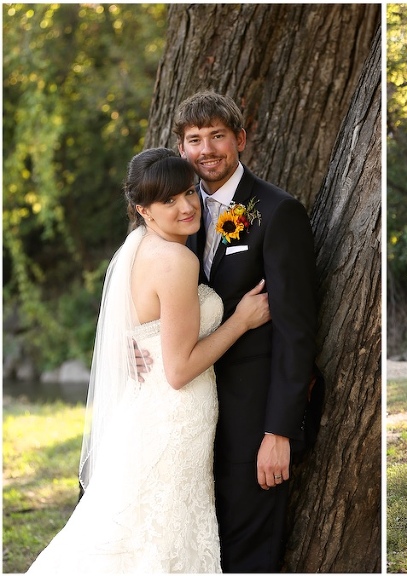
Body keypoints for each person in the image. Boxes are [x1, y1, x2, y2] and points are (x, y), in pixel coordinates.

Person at [27, 148, 271, 573]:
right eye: (169, 201)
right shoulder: (177, 260)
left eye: (188, 193)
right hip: (174, 419)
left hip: (147, 415)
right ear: (143, 209)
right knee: (164, 539)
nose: (187, 206)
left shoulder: (138, 246)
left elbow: (144, 326)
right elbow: (178, 371)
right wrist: (241, 322)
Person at [174, 91, 318, 572]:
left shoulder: (278, 212)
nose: (207, 149)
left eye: (217, 135)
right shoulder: (177, 213)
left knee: (248, 550)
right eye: (195, 139)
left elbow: (297, 334)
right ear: (182, 150)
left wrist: (279, 430)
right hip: (189, 415)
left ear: (240, 138)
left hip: (252, 417)